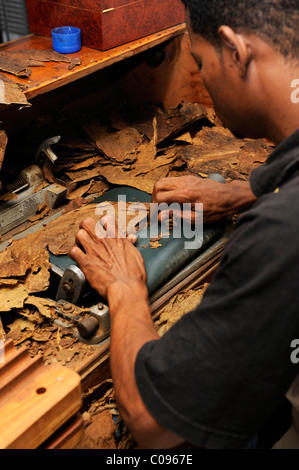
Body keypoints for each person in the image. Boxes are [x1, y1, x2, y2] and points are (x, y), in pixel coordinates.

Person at [69, 0, 299, 449]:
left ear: (234, 50)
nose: (203, 78)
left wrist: (123, 286)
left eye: (199, 62)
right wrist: (246, 191)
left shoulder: (281, 232)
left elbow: (155, 423)